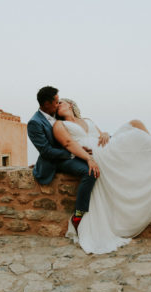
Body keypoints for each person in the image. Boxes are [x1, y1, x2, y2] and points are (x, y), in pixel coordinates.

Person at [53, 99, 151, 254]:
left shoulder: (87, 120)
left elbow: (101, 134)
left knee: (136, 124)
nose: (58, 105)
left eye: (60, 102)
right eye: (56, 104)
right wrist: (85, 155)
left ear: (70, 104)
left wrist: (106, 134)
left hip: (104, 144)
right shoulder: (59, 125)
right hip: (94, 152)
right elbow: (67, 144)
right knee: (136, 137)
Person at [27, 86, 98, 230]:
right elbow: (46, 151)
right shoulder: (34, 122)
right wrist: (73, 153)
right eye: (56, 102)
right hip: (56, 161)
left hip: (71, 153)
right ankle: (78, 215)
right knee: (88, 172)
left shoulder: (56, 115)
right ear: (46, 104)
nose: (58, 104)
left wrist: (79, 150)